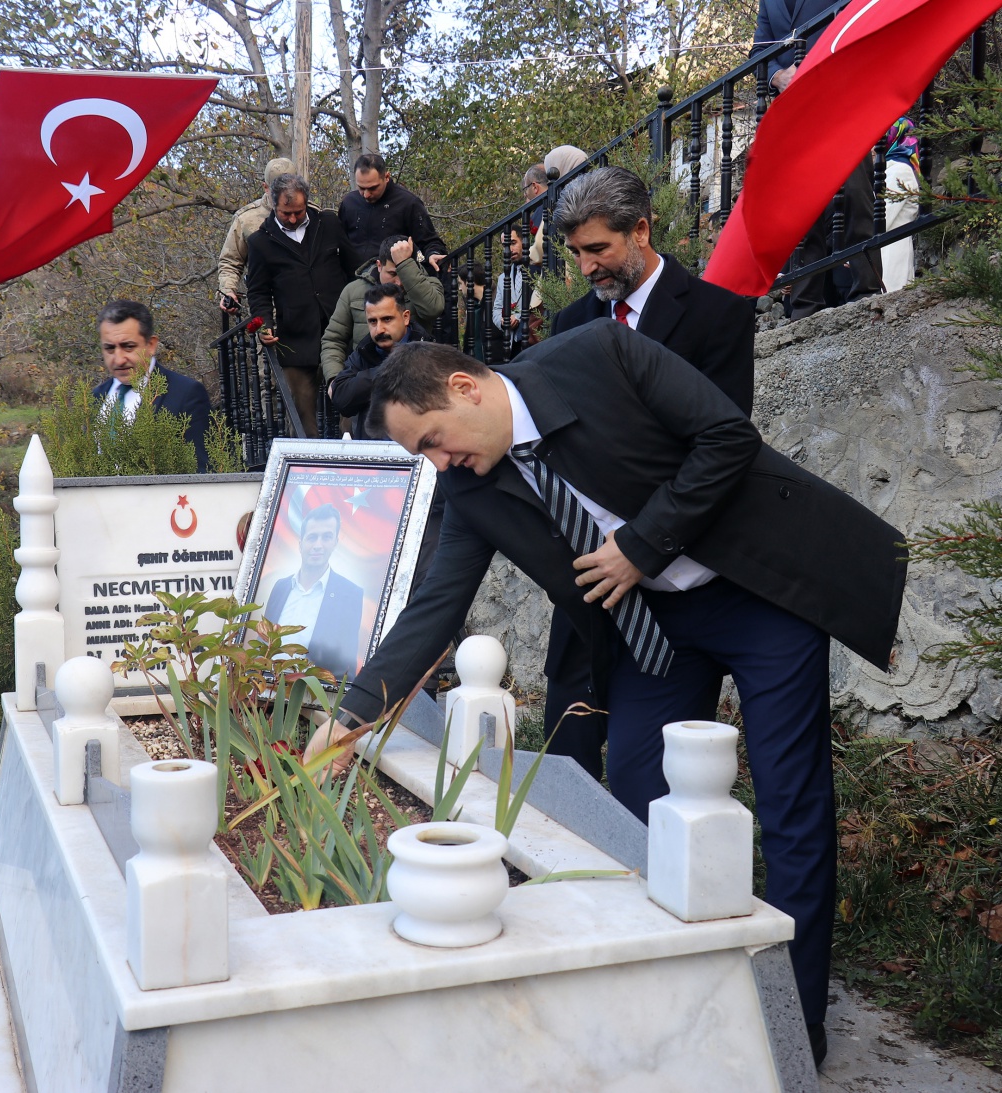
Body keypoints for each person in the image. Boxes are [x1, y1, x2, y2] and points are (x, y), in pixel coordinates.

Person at [305, 331, 906, 1068]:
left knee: (790, 799)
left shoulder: (601, 357)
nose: (437, 464)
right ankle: (694, 979)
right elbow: (435, 604)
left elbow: (726, 437)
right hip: (654, 630)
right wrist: (352, 715)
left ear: (466, 388)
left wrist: (641, 547)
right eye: (420, 456)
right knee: (639, 794)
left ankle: (793, 1018)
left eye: (431, 441)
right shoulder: (469, 486)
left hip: (759, 594)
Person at [545, 166, 756, 780]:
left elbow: (717, 446)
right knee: (570, 741)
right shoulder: (569, 327)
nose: (586, 268)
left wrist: (641, 545)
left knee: (650, 771)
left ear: (640, 230)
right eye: (576, 253)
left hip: (679, 566)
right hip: (592, 574)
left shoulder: (719, 317)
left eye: (598, 250)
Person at [754, 0, 884, 317]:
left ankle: (864, 294)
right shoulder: (768, 2)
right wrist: (778, 76)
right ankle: (804, 306)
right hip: (794, 112)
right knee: (800, 211)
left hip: (839, 99)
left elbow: (860, 19)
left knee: (855, 194)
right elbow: (758, 54)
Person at [245, 174, 361, 436]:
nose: (294, 218)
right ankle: (311, 470)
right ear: (274, 205)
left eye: (298, 211)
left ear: (307, 202)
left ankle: (355, 462)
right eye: (287, 213)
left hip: (342, 330)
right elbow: (258, 292)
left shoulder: (328, 223)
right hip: (296, 339)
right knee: (302, 419)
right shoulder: (259, 242)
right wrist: (265, 325)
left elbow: (355, 267)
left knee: (353, 409)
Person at [90, 299, 213, 472]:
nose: (118, 359)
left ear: (151, 345)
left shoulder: (186, 394)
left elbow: (203, 473)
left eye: (128, 347)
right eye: (110, 349)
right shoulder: (95, 398)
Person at [320, 235, 443, 386]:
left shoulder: (427, 286)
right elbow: (333, 340)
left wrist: (405, 264)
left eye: (402, 273)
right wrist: (335, 380)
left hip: (415, 381)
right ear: (379, 266)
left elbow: (433, 309)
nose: (398, 282)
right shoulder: (353, 291)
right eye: (392, 274)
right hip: (366, 383)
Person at [263, 503, 366, 679]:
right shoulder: (281, 587)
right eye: (312, 537)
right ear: (301, 543)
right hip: (269, 693)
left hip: (317, 696)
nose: (318, 545)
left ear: (335, 542)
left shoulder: (350, 594)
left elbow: (347, 665)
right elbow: (264, 641)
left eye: (326, 537)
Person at [329, 284, 432, 438]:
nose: (379, 329)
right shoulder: (364, 352)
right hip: (373, 454)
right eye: (372, 321)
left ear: (405, 317)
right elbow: (342, 399)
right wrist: (390, 371)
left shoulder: (428, 352)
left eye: (387, 319)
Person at [336, 153, 447, 272]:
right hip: (353, 281)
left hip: (393, 282)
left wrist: (433, 253)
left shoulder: (408, 203)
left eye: (373, 188)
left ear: (387, 177)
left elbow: (429, 241)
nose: (366, 194)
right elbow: (339, 242)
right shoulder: (349, 203)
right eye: (361, 188)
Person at [217, 157, 297, 314]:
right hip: (268, 308)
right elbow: (230, 261)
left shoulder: (312, 214)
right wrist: (228, 291)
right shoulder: (246, 219)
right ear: (266, 187)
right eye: (278, 191)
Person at [880, 117, 921, 292]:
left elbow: (883, 217)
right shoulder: (893, 168)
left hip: (892, 250)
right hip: (890, 248)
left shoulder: (900, 170)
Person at [492, 226, 541, 357]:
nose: (509, 249)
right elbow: (496, 310)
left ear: (524, 241)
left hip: (535, 340)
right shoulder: (503, 278)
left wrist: (518, 318)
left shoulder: (540, 268)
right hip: (512, 345)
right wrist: (503, 321)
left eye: (513, 243)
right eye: (505, 245)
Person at [522, 165, 549, 231]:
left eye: (526, 189)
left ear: (535, 187)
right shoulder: (563, 198)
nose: (525, 195)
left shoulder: (540, 213)